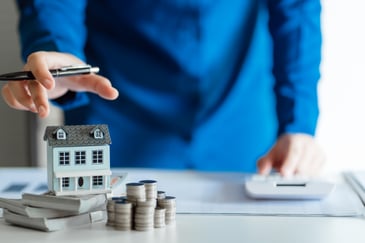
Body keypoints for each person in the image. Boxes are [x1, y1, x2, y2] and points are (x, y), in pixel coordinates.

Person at [2, 0, 325, 175]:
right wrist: (59, 57)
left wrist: (298, 120)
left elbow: (297, 10)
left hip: (238, 110)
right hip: (117, 105)